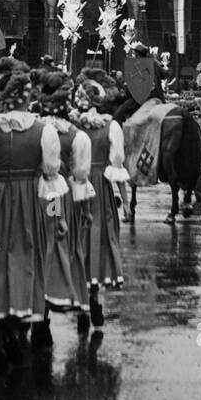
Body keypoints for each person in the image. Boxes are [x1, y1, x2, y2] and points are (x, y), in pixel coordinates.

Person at [0, 57, 67, 365]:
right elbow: (51, 179)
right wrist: (58, 218)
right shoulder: (44, 131)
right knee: (26, 260)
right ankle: (20, 325)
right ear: (29, 97)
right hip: (29, 202)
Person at [32, 68, 94, 335]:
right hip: (58, 201)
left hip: (34, 199)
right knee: (64, 250)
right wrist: (83, 211)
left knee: (40, 254)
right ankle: (75, 303)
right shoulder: (77, 136)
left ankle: (41, 316)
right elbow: (79, 177)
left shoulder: (32, 129)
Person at [70, 68, 131, 327]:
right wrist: (126, 203)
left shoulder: (71, 125)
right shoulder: (111, 127)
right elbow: (117, 169)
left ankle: (80, 298)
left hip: (73, 189)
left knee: (75, 238)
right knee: (100, 238)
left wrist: (53, 210)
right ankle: (94, 295)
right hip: (101, 190)